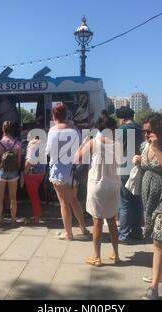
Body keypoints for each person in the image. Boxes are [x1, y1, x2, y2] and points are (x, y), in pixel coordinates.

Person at [133, 113, 162, 300]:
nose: (145, 135)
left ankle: (154, 287)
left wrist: (156, 148)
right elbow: (146, 167)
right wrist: (139, 160)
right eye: (144, 131)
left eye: (149, 131)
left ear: (159, 129)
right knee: (157, 235)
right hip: (149, 195)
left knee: (158, 238)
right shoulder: (144, 146)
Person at [76, 114, 121, 266]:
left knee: (97, 222)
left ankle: (97, 257)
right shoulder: (117, 144)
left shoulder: (93, 142)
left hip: (98, 185)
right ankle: (115, 254)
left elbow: (77, 158)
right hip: (114, 185)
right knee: (112, 221)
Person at [46, 103, 90, 240]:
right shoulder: (75, 130)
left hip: (59, 170)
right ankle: (83, 228)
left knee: (63, 203)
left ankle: (68, 233)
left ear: (54, 116)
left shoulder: (52, 131)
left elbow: (48, 152)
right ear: (67, 115)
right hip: (73, 171)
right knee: (74, 200)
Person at [115, 106, 144, 243]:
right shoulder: (140, 128)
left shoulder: (122, 130)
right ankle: (137, 231)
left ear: (122, 118)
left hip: (124, 167)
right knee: (137, 201)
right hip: (138, 166)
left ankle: (123, 235)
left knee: (124, 202)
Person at [0, 121, 22, 228]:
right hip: (13, 173)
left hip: (1, 172)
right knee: (13, 198)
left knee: (0, 198)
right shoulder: (17, 144)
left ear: (2, 129)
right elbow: (18, 162)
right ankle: (13, 220)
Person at [24, 132, 46, 224]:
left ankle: (37, 217)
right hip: (41, 173)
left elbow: (29, 160)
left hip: (32, 173)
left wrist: (24, 171)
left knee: (34, 196)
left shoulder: (31, 145)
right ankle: (38, 213)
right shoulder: (42, 144)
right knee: (36, 194)